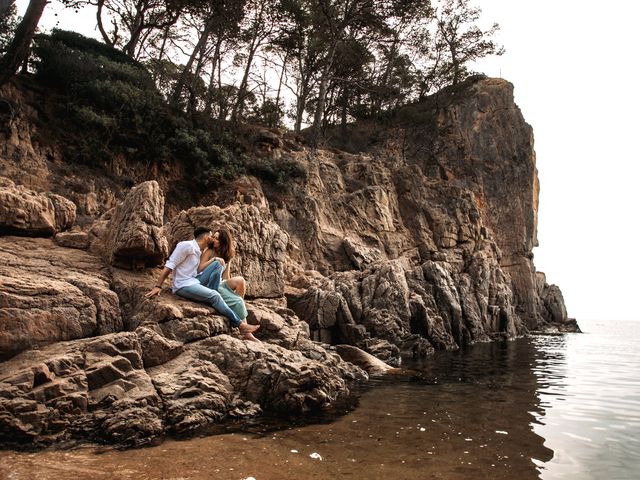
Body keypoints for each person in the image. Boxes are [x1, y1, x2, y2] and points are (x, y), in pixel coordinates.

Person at [145, 226, 259, 340]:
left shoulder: (198, 250)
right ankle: (240, 325)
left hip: (194, 281)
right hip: (183, 285)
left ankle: (228, 306)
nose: (213, 239)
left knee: (220, 269)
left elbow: (205, 273)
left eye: (216, 238)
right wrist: (157, 286)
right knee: (215, 295)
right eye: (211, 236)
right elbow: (170, 265)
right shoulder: (186, 246)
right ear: (206, 237)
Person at [198, 227, 248, 322]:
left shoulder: (227, 254)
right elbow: (199, 268)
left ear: (223, 241)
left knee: (240, 280)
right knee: (238, 301)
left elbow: (226, 276)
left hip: (221, 282)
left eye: (217, 239)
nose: (214, 240)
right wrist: (214, 260)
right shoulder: (209, 251)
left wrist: (229, 292)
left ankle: (236, 307)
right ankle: (238, 309)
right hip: (210, 282)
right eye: (214, 237)